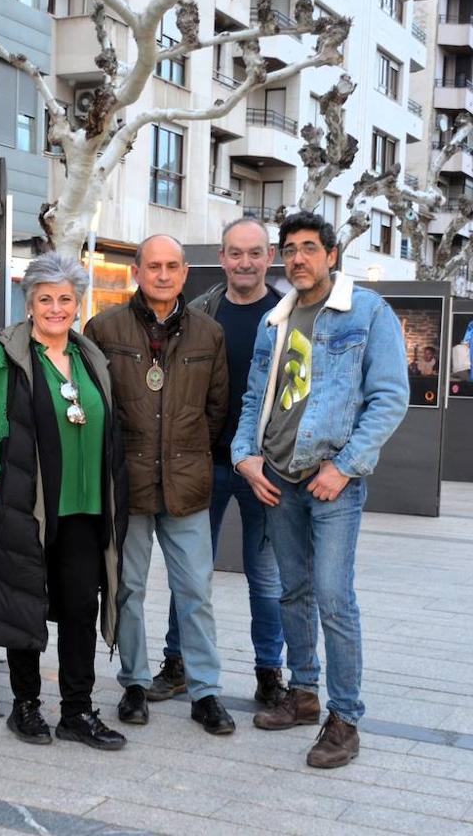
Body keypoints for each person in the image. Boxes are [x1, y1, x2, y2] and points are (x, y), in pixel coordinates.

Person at [233, 212, 408, 768]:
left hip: (332, 480)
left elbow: (389, 398)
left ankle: (346, 718)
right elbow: (254, 398)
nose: (299, 258)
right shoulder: (276, 321)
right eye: (291, 249)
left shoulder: (368, 313)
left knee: (334, 598)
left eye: (310, 247)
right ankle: (304, 694)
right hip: (279, 478)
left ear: (332, 254)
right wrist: (246, 458)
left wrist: (348, 466)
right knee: (292, 592)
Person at [0, 253, 128, 749]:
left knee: (79, 609)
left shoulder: (89, 358)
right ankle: (26, 706)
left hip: (85, 511)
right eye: (45, 299)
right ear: (29, 304)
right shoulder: (5, 358)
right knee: (22, 604)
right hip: (25, 509)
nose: (56, 308)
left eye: (65, 299)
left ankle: (77, 711)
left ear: (78, 304)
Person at [84, 234, 236, 735]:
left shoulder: (208, 334)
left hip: (186, 485)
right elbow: (94, 406)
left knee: (195, 591)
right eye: (154, 266)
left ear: (186, 273)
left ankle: (206, 691)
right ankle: (133, 683)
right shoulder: (104, 329)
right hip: (127, 483)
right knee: (127, 589)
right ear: (137, 272)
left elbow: (216, 412)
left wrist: (185, 453)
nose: (164, 275)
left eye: (173, 266)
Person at [149, 217, 287, 707]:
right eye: (235, 253)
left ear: (269, 256)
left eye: (254, 253)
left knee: (266, 575)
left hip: (266, 469)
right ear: (222, 258)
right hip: (204, 464)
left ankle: (270, 672)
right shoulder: (201, 310)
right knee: (190, 570)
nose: (244, 262)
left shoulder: (288, 314)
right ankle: (178, 661)